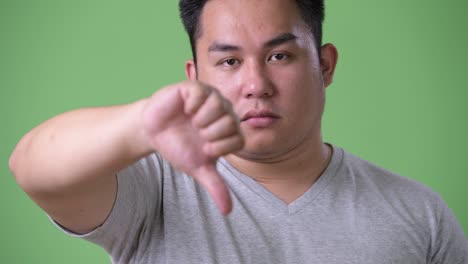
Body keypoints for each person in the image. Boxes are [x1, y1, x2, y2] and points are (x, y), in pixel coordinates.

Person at [9, 0, 467, 263]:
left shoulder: (418, 213)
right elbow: (32, 166)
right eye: (229, 61)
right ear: (195, 77)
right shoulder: (153, 188)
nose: (256, 86)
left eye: (279, 56)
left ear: (324, 65)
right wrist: (138, 124)